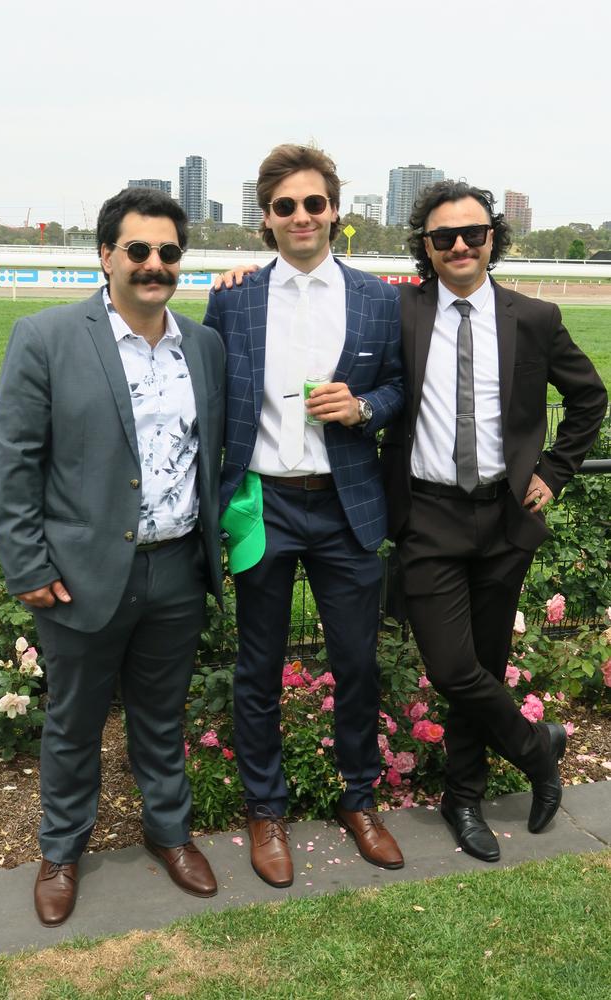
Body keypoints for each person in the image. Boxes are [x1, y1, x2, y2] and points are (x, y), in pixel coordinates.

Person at [0, 187, 226, 925]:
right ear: (106, 255)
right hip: (82, 574)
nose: (154, 264)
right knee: (74, 722)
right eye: (138, 250)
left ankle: (170, 833)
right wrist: (28, 565)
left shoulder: (204, 346)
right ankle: (60, 852)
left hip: (178, 569)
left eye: (168, 252)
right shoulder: (47, 336)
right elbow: (16, 460)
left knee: (161, 717)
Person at [381, 180, 608, 861]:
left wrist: (554, 471)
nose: (458, 245)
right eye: (443, 236)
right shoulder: (399, 310)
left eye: (472, 234)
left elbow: (588, 397)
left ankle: (464, 797)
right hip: (427, 515)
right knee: (452, 669)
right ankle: (539, 752)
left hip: (504, 519)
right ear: (425, 246)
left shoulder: (532, 318)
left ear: (492, 240)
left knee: (486, 662)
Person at [204, 144, 405, 887]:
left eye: (313, 203)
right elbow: (211, 392)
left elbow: (397, 388)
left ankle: (359, 800)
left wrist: (363, 408)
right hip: (266, 505)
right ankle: (266, 811)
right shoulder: (233, 298)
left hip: (347, 505)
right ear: (267, 217)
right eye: (285, 205)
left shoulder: (379, 299)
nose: (301, 216)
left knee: (356, 664)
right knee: (257, 668)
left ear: (334, 212)